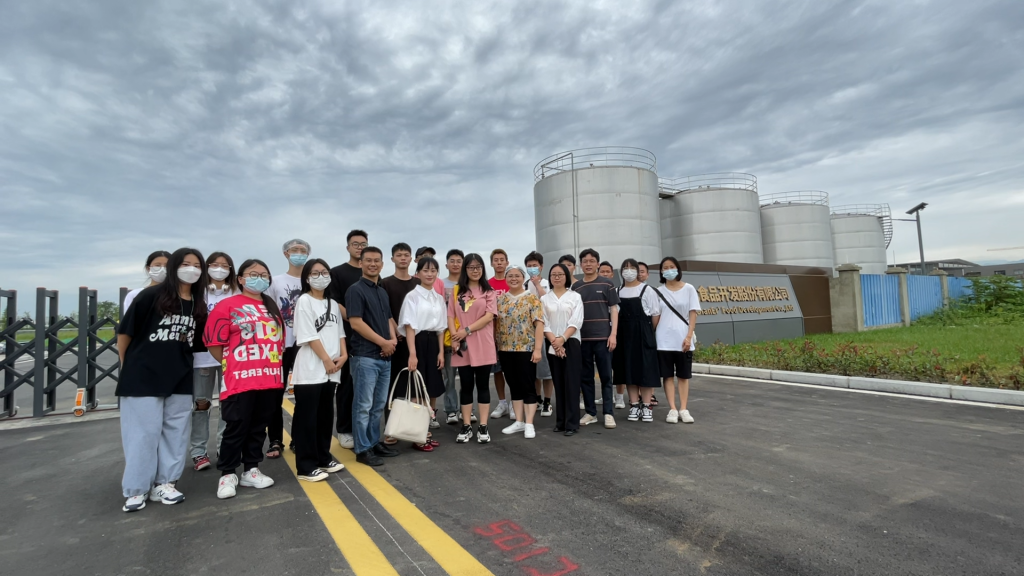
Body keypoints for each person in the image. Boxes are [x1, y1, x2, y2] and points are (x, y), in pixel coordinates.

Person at [116, 248, 208, 512]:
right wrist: (127, 365)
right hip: (142, 376)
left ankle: (165, 483)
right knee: (142, 434)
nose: (191, 269)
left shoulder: (197, 303)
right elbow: (125, 334)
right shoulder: (150, 296)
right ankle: (136, 489)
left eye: (197, 265)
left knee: (175, 432)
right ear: (174, 267)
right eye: (185, 264)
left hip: (180, 376)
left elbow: (195, 342)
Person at [204, 259, 284, 499]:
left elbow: (279, 341)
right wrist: (234, 364)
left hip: (269, 377)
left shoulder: (271, 307)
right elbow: (214, 343)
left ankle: (251, 469)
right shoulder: (227, 305)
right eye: (253, 274)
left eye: (264, 274)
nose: (259, 278)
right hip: (239, 378)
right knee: (236, 426)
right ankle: (228, 473)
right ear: (240, 279)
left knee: (258, 426)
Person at [291, 258, 348, 481]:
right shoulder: (304, 301)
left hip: (332, 367)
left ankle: (323, 457)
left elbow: (340, 332)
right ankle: (306, 466)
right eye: (315, 273)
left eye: (324, 272)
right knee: (308, 418)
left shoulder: (332, 303)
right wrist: (325, 359)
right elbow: (308, 335)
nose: (320, 277)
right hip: (312, 368)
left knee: (325, 415)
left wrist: (343, 355)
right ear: (307, 278)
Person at [346, 246, 400, 467]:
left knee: (378, 405)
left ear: (382, 264)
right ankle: (362, 449)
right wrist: (383, 342)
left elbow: (388, 319)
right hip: (365, 357)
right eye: (368, 260)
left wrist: (392, 340)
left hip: (385, 357)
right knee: (363, 405)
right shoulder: (355, 290)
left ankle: (374, 442)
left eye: (377, 260)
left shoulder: (381, 291)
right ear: (360, 263)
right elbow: (356, 323)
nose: (373, 264)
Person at [189, 251, 238, 472]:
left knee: (228, 405)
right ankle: (198, 451)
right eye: (215, 264)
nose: (220, 269)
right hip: (202, 358)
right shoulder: (197, 292)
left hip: (230, 357)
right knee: (201, 405)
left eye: (225, 266)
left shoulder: (236, 292)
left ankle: (223, 447)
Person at [396, 256, 448, 451]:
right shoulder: (412, 296)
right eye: (425, 270)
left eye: (433, 270)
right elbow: (409, 326)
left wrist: (441, 352)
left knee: (430, 388)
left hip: (433, 343)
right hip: (417, 342)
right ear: (417, 273)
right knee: (417, 390)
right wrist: (412, 353)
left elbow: (441, 328)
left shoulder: (438, 297)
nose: (429, 274)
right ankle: (417, 436)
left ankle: (424, 432)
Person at [266, 238, 310, 459]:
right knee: (276, 393)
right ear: (286, 254)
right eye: (294, 250)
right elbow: (268, 312)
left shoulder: (311, 281)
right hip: (281, 345)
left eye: (303, 250)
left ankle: (298, 438)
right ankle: (275, 439)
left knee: (304, 393)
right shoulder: (275, 282)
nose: (299, 253)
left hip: (306, 344)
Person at [448, 253, 498, 444]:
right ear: (465, 269)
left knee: (483, 385)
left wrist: (466, 330)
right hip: (463, 345)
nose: (475, 270)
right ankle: (467, 425)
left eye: (478, 267)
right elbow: (450, 316)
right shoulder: (457, 291)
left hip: (483, 343)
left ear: (483, 269)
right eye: (471, 267)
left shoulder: (489, 291)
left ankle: (483, 426)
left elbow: (489, 316)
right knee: (466, 385)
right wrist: (455, 337)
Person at [329, 230, 368, 449]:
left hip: (369, 337)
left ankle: (362, 429)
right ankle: (344, 430)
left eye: (363, 244)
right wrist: (355, 320)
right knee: (346, 385)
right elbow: (335, 303)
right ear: (348, 247)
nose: (360, 247)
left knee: (366, 387)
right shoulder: (337, 272)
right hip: (347, 336)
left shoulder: (371, 272)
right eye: (356, 244)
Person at [572, 249, 620, 429]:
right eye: (585, 261)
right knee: (586, 377)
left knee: (606, 376)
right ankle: (591, 412)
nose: (588, 264)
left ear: (598, 264)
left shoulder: (607, 284)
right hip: (582, 339)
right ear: (580, 265)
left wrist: (613, 334)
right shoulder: (576, 288)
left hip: (603, 338)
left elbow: (614, 309)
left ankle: (608, 413)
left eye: (592, 261)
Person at [496, 265, 544, 439]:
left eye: (517, 275)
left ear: (523, 278)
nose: (513, 279)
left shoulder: (531, 298)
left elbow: (539, 324)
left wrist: (537, 349)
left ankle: (529, 423)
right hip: (505, 349)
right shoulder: (501, 300)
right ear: (506, 278)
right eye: (510, 276)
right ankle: (519, 421)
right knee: (514, 386)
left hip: (526, 349)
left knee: (527, 385)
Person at [613, 259, 662, 423]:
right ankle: (634, 404)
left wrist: (647, 331)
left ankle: (646, 406)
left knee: (645, 370)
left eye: (632, 268)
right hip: (624, 335)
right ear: (621, 272)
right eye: (625, 268)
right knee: (629, 370)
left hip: (643, 333)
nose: (629, 271)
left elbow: (655, 314)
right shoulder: (617, 291)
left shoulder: (647, 290)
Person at [381, 243, 421, 435]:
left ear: (411, 258)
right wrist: (395, 331)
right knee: (394, 387)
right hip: (395, 341)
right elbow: (385, 311)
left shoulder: (418, 283)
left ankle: (414, 431)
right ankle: (392, 430)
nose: (403, 258)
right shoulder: (385, 283)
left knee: (415, 387)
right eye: (399, 255)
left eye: (406, 255)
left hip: (417, 341)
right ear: (392, 259)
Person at [655, 257, 700, 424]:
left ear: (678, 269)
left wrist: (689, 336)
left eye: (671, 267)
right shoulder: (658, 291)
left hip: (683, 340)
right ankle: (673, 409)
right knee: (667, 376)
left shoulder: (689, 289)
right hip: (663, 341)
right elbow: (656, 316)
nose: (668, 270)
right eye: (665, 268)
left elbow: (693, 313)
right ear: (661, 272)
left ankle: (684, 409)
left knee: (683, 376)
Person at [541, 264, 584, 436]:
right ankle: (561, 421)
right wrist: (555, 342)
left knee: (572, 382)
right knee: (558, 382)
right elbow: (544, 322)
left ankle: (572, 423)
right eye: (553, 274)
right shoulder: (545, 299)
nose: (557, 277)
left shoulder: (575, 296)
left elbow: (577, 320)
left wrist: (562, 339)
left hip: (571, 342)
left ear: (566, 276)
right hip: (552, 342)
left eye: (560, 274)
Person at [441, 249, 471, 425]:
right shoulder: (440, 284)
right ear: (446, 264)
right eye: (452, 261)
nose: (455, 264)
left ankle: (468, 410)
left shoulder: (469, 284)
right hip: (448, 336)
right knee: (449, 377)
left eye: (459, 261)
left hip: (467, 335)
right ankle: (451, 410)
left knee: (468, 377)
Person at [524, 251, 554, 416]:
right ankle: (538, 398)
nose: (532, 268)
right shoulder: (524, 284)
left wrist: (537, 285)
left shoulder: (547, 283)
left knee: (547, 370)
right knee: (533, 369)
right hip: (529, 331)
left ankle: (548, 401)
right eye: (529, 266)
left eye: (535, 265)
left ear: (541, 266)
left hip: (546, 330)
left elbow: (548, 301)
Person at [488, 249, 513, 420]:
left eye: (502, 260)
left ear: (507, 262)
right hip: (492, 334)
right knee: (497, 370)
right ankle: (502, 402)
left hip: (512, 334)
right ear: (491, 263)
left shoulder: (512, 281)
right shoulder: (487, 284)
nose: (499, 263)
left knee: (512, 371)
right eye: (495, 260)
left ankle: (514, 403)